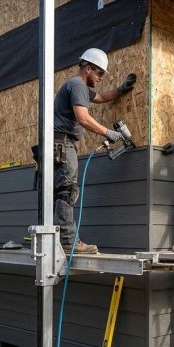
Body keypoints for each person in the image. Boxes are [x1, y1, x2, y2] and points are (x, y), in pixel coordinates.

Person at [52, 48, 136, 254]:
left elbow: (101, 97)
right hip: (63, 142)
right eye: (99, 73)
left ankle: (59, 238)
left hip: (59, 142)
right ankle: (68, 241)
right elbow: (82, 117)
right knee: (67, 190)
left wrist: (121, 89)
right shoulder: (77, 85)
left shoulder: (78, 86)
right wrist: (108, 132)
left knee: (61, 191)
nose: (101, 77)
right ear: (88, 68)